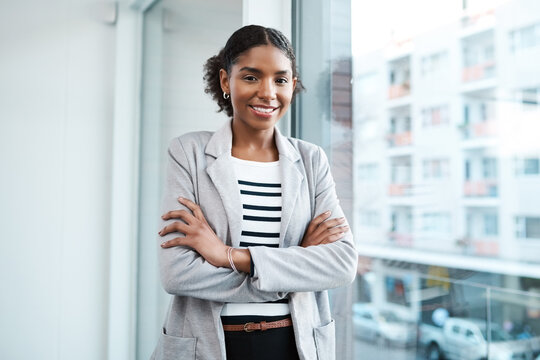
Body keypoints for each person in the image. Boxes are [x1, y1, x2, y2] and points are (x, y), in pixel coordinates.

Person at [151, 24, 357, 360]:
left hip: (293, 345)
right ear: (224, 81)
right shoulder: (187, 151)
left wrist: (227, 256)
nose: (267, 92)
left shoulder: (311, 159)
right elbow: (178, 274)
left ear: (292, 85)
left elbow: (342, 264)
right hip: (210, 344)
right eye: (251, 77)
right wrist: (293, 267)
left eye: (280, 79)